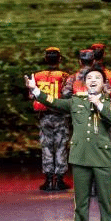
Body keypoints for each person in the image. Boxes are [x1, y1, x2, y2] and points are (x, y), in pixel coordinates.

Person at [26, 68, 111, 221]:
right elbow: (54, 102)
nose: (93, 80)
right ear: (84, 83)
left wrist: (99, 105)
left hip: (102, 158)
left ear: (104, 83)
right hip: (80, 158)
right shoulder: (76, 101)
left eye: (97, 78)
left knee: (106, 203)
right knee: (81, 204)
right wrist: (35, 90)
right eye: (89, 78)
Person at [33, 48, 72, 192]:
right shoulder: (65, 76)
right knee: (61, 146)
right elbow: (67, 96)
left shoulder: (37, 76)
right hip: (60, 115)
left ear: (45, 59)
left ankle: (49, 180)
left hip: (44, 116)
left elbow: (32, 95)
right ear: (59, 59)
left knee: (46, 146)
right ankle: (60, 180)